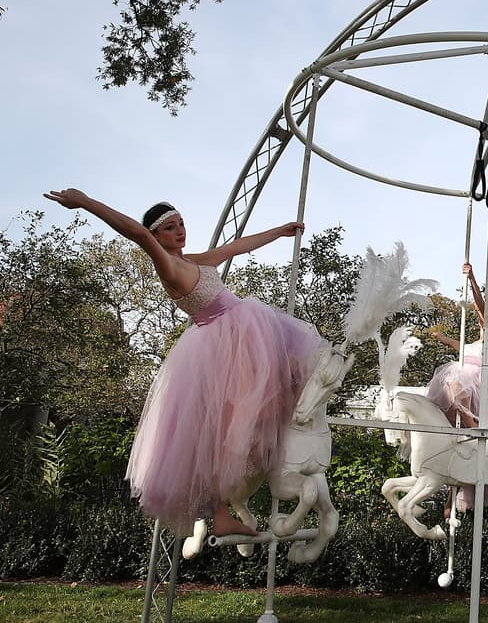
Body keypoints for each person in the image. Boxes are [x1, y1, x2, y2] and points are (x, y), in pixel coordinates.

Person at [44, 188, 330, 537]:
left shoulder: (193, 259)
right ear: (156, 236)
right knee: (219, 429)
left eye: (181, 224)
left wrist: (279, 231)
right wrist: (86, 202)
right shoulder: (166, 266)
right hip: (223, 341)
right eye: (170, 228)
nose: (179, 231)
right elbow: (135, 232)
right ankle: (227, 504)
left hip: (237, 334)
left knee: (269, 395)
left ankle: (224, 513)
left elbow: (235, 247)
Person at [426, 262, 488, 513]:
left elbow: (481, 307)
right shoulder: (472, 343)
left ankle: (472, 427)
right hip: (463, 383)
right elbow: (458, 346)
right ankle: (451, 488)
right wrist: (439, 337)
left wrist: (472, 280)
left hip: (479, 386)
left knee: (455, 381)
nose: (485, 320)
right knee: (450, 384)